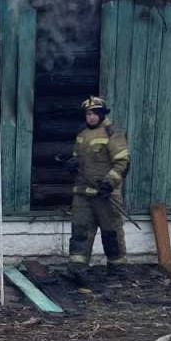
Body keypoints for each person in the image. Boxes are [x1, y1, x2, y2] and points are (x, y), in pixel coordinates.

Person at [64, 95, 130, 285]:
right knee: (80, 231)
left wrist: (110, 183)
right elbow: (78, 158)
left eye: (95, 114)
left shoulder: (112, 133)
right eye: (88, 114)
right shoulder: (82, 134)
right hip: (82, 193)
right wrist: (72, 163)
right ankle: (77, 270)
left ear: (102, 114)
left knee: (111, 232)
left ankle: (117, 270)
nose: (91, 117)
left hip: (105, 195)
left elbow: (123, 162)